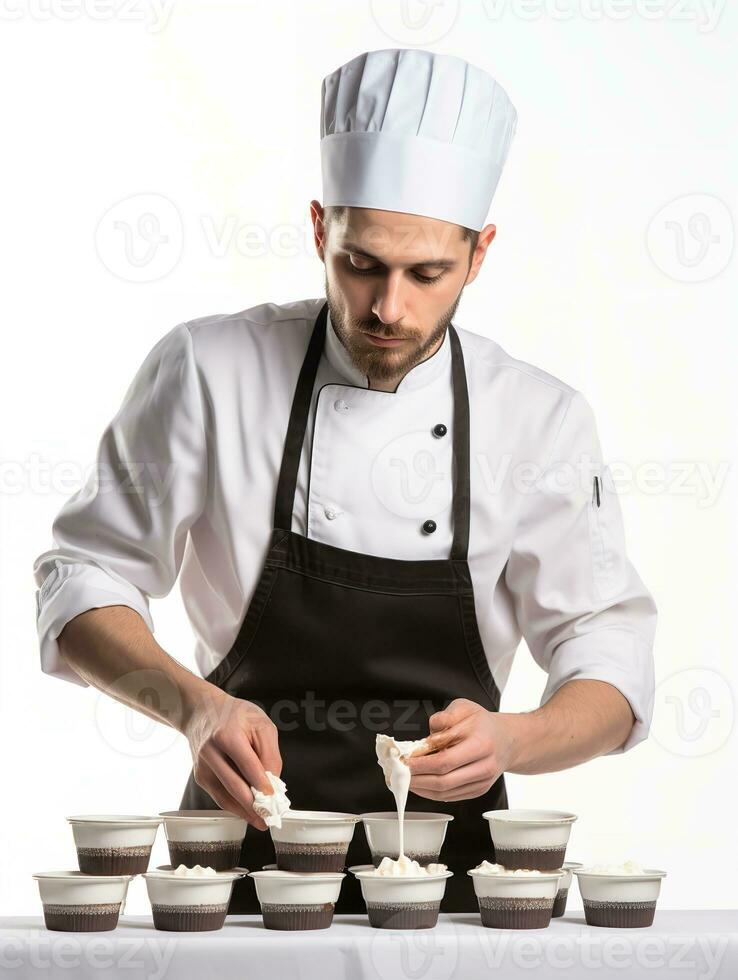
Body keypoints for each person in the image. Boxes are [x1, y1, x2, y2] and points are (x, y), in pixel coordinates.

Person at [32, 48, 657, 912]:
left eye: (427, 273)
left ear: (479, 256)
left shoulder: (539, 420)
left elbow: (613, 662)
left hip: (460, 893)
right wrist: (192, 708)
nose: (387, 308)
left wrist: (515, 739)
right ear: (321, 228)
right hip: (234, 878)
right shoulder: (208, 371)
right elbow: (80, 583)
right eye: (361, 263)